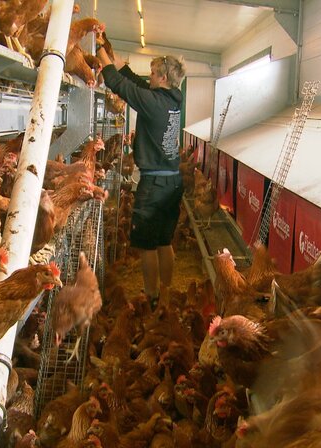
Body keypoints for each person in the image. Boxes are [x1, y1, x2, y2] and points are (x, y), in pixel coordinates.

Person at [96, 35, 186, 308]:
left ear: (162, 77)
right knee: (164, 241)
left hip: (155, 183)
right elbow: (133, 80)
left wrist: (98, 50)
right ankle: (166, 292)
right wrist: (108, 47)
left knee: (147, 245)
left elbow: (118, 84)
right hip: (172, 181)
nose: (150, 76)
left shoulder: (154, 103)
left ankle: (151, 296)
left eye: (153, 73)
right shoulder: (172, 99)